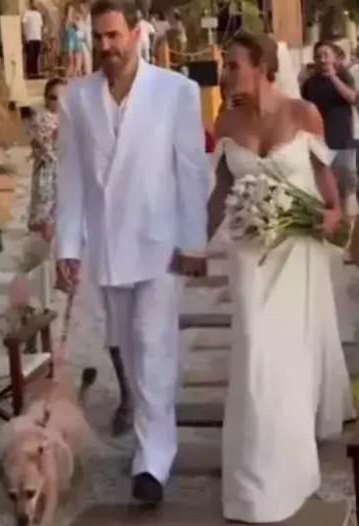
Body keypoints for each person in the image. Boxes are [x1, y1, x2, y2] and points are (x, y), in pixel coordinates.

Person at [55, 0, 208, 504]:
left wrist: (194, 241)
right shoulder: (77, 99)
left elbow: (191, 170)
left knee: (153, 344)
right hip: (109, 244)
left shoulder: (176, 92)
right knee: (127, 345)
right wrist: (68, 246)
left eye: (114, 36)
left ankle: (152, 461)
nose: (106, 47)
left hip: (161, 242)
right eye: (98, 37)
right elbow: (72, 178)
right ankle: (149, 437)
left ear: (136, 33)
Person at [208, 32, 352, 524]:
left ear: (263, 68)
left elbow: (326, 181)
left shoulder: (303, 114)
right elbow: (220, 192)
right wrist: (190, 247)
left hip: (296, 254)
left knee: (287, 362)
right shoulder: (225, 121)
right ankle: (250, 481)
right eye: (225, 65)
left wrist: (332, 213)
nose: (225, 73)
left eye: (233, 65)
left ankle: (288, 469)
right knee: (254, 353)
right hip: (250, 256)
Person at [11, 78, 65, 315]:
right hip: (47, 184)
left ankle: (51, 284)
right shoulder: (45, 120)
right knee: (42, 236)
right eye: (54, 97)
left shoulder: (68, 120)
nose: (59, 102)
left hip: (62, 182)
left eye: (63, 97)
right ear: (46, 99)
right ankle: (27, 292)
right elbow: (47, 148)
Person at [302, 41, 358, 213]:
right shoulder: (310, 83)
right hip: (319, 145)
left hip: (343, 143)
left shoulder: (344, 77)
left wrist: (333, 77)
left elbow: (353, 98)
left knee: (346, 190)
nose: (322, 59)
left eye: (326, 55)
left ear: (334, 57)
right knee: (324, 193)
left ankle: (349, 225)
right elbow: (303, 108)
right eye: (318, 56)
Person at [22, 1, 45, 79]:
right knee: (30, 56)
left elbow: (41, 26)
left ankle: (35, 72)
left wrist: (42, 37)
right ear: (30, 3)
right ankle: (29, 73)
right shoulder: (26, 13)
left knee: (36, 56)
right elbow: (23, 25)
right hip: (30, 38)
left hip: (37, 37)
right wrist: (25, 36)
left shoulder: (38, 14)